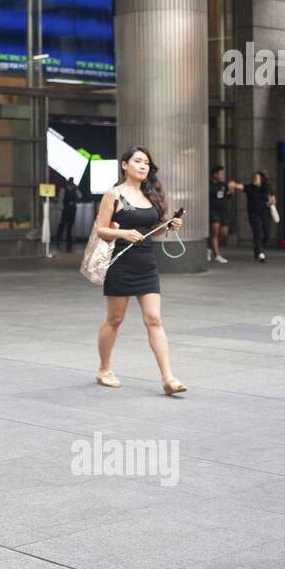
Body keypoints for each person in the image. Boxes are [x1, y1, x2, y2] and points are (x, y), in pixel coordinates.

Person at [94, 145, 187, 396]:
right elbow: (101, 229)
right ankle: (104, 369)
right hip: (120, 262)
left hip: (146, 262)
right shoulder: (113, 195)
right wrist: (123, 232)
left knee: (154, 319)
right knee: (115, 319)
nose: (143, 165)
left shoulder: (152, 194)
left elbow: (151, 232)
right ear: (125, 165)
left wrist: (168, 226)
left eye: (146, 162)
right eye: (137, 161)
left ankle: (168, 378)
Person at [208, 165, 243, 263]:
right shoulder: (209, 185)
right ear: (215, 174)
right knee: (215, 231)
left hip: (223, 211)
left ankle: (210, 247)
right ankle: (217, 255)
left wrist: (231, 192)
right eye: (221, 174)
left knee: (224, 233)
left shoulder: (223, 185)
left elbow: (228, 196)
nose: (223, 176)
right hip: (213, 211)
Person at [244, 171, 276, 262]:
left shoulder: (267, 188)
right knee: (257, 231)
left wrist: (271, 202)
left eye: (256, 178)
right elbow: (241, 186)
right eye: (254, 177)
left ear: (261, 179)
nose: (254, 179)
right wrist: (233, 184)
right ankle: (260, 252)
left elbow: (273, 199)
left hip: (265, 214)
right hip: (254, 214)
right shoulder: (250, 188)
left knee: (267, 234)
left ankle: (258, 248)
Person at [54, 178, 79, 252]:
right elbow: (61, 199)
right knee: (63, 223)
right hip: (66, 208)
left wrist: (76, 189)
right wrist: (61, 207)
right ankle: (58, 237)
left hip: (73, 208)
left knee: (70, 224)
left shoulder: (75, 189)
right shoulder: (63, 189)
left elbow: (80, 196)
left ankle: (69, 238)